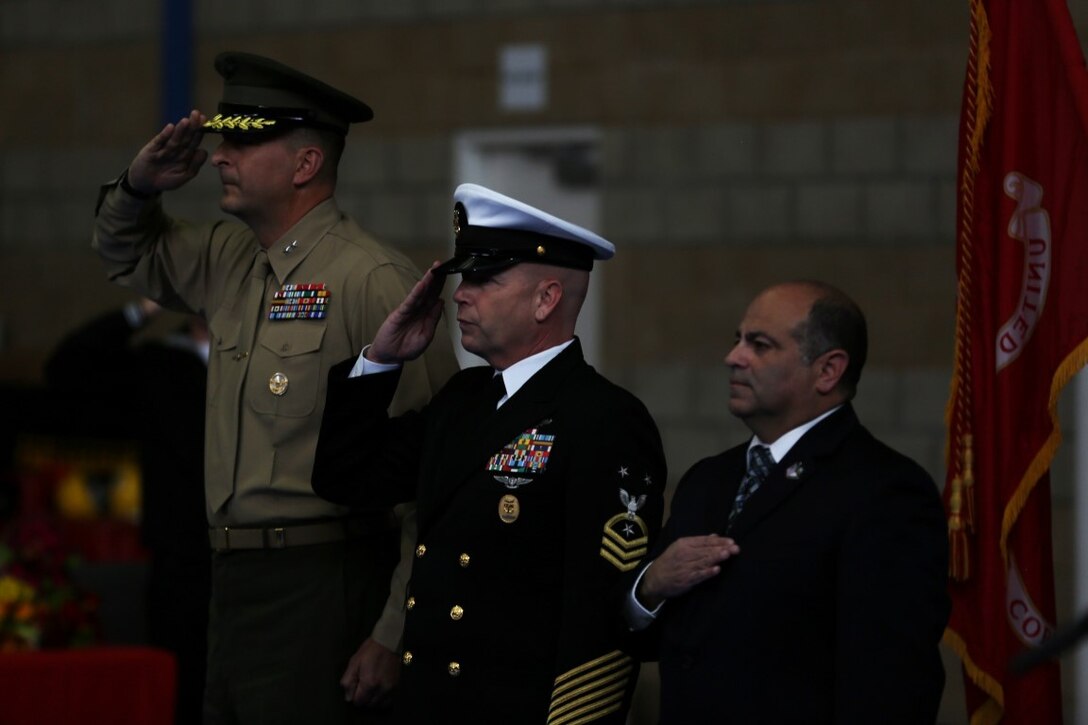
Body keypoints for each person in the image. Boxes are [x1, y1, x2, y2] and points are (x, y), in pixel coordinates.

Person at [91, 51, 458, 723]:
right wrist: (140, 187)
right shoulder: (230, 258)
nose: (221, 155)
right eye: (222, 138)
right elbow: (124, 251)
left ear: (306, 164)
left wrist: (391, 630)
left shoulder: (370, 277)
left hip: (325, 577)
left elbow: (435, 475)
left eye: (243, 139)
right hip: (230, 578)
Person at [311, 183, 667, 724]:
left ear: (546, 298)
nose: (459, 294)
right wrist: (381, 360)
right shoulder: (463, 400)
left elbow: (598, 615)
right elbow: (347, 478)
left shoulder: (604, 419)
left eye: (483, 278)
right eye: (464, 277)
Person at [626, 281, 950, 724]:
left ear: (828, 371)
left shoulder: (884, 491)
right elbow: (661, 643)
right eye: (737, 340)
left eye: (760, 345)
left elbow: (890, 686)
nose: (734, 357)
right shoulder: (709, 480)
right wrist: (650, 585)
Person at [43, 297, 211, 725]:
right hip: (180, 554)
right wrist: (146, 306)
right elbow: (67, 365)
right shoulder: (159, 363)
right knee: (181, 685)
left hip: (256, 550)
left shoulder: (263, 356)